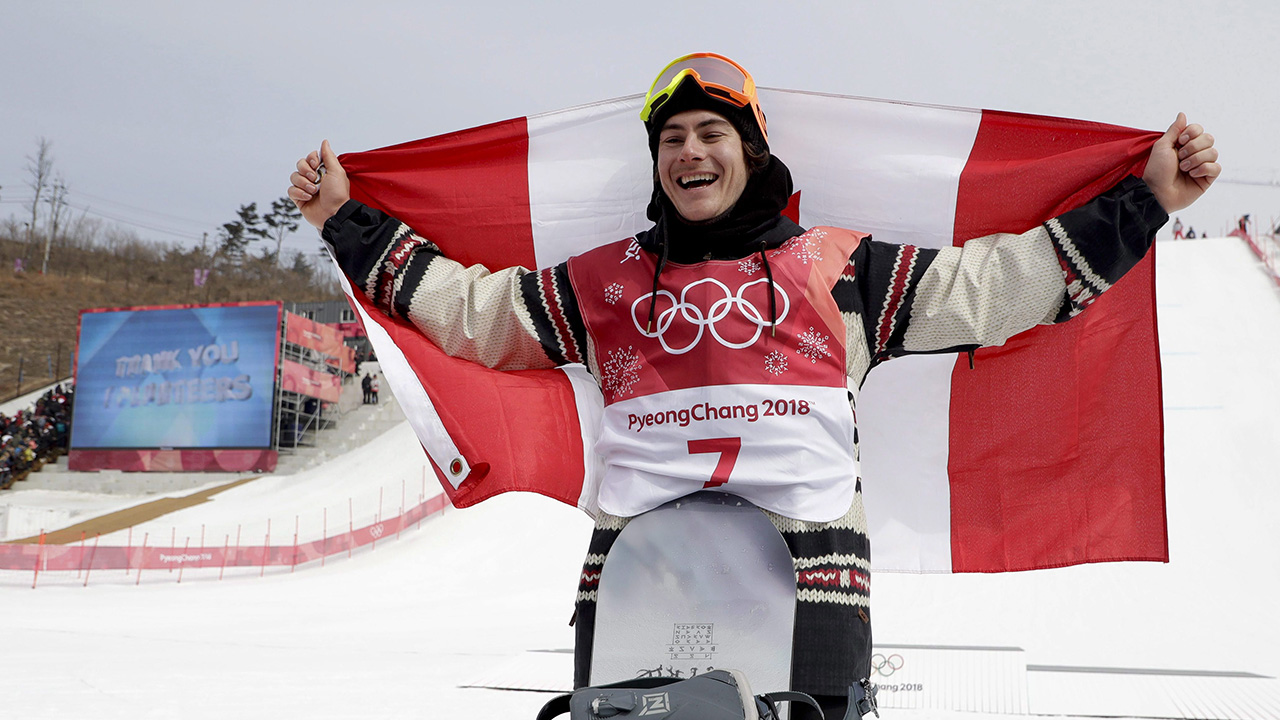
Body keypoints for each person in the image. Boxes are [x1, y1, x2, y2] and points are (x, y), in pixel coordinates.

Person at [288, 53, 1219, 718]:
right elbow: (475, 312)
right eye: (672, 140)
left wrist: (1148, 200)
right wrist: (346, 220)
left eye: (712, 133)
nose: (690, 152)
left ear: (752, 150)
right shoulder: (603, 282)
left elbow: (992, 289)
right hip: (635, 581)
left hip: (809, 582)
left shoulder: (839, 268)